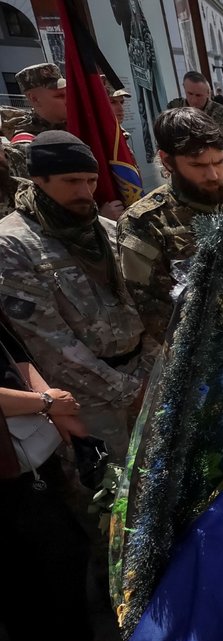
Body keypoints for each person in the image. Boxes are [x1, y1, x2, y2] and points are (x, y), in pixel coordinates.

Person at [0, 131, 148, 460]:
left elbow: (144, 308)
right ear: (39, 179)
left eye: (91, 180)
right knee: (109, 494)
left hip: (142, 381)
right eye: (71, 181)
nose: (84, 192)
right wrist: (128, 390)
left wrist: (148, 374)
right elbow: (50, 344)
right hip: (84, 402)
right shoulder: (13, 246)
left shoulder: (107, 232)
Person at [0, 309, 114, 641]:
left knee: (19, 556)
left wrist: (56, 408)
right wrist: (46, 403)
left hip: (21, 442)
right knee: (60, 549)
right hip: (9, 458)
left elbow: (14, 354)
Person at [116, 108, 223, 345]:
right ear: (167, 161)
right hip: (199, 364)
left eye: (219, 162)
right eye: (198, 166)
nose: (213, 175)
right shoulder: (145, 224)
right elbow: (155, 314)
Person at [2, 64, 68, 178]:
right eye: (60, 96)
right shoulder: (28, 146)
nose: (68, 100)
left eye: (69, 94)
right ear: (34, 99)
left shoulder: (80, 124)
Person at [166, 71, 223, 156]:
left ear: (208, 93)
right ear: (184, 88)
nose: (194, 100)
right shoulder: (174, 110)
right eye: (190, 94)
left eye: (199, 95)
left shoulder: (222, 114)